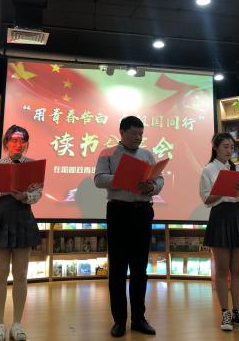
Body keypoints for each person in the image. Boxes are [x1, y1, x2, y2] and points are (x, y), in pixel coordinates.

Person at [94, 116, 164, 337]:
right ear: (122, 132)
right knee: (117, 269)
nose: (138, 138)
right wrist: (124, 178)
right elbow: (99, 179)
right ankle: (119, 321)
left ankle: (139, 319)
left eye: (141, 134)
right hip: (119, 212)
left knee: (139, 269)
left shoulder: (147, 155)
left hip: (142, 212)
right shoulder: (107, 153)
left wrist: (151, 187)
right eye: (134, 133)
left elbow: (160, 179)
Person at [0, 125, 42, 341]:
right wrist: (7, 188)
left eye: (22, 140)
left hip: (23, 220)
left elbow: (37, 194)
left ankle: (17, 323)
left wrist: (24, 196)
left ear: (26, 143)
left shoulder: (33, 166)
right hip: (0, 220)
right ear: (6, 142)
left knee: (21, 275)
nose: (18, 144)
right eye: (14, 140)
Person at [199, 133, 239, 332]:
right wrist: (222, 190)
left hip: (237, 216)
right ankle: (225, 312)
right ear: (215, 147)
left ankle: (238, 313)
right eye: (225, 146)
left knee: (238, 270)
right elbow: (206, 200)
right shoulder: (208, 170)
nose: (229, 150)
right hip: (220, 217)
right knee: (223, 270)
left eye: (232, 147)